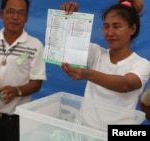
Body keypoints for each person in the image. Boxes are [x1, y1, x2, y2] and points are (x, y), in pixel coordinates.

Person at [61, 0, 150, 129]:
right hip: (84, 129)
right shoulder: (96, 53)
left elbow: (126, 84)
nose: (110, 32)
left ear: (132, 29)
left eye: (117, 26)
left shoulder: (142, 64)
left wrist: (87, 74)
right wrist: (70, 17)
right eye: (106, 26)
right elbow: (69, 43)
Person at [0, 0, 47, 140]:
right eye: (10, 11)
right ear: (2, 14)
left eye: (21, 13)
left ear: (27, 17)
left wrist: (16, 91)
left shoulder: (35, 45)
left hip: (14, 121)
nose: (15, 17)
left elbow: (37, 83)